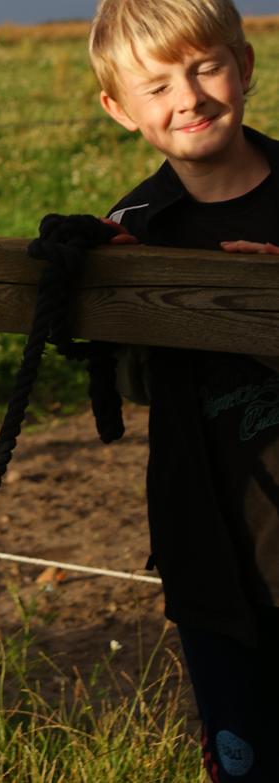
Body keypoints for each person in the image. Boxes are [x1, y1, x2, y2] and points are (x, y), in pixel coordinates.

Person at [88, 0, 279, 779]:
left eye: (205, 68)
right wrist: (104, 281)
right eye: (157, 84)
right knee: (247, 756)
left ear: (246, 66)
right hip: (209, 556)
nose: (188, 98)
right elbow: (123, 374)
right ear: (118, 109)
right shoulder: (133, 225)